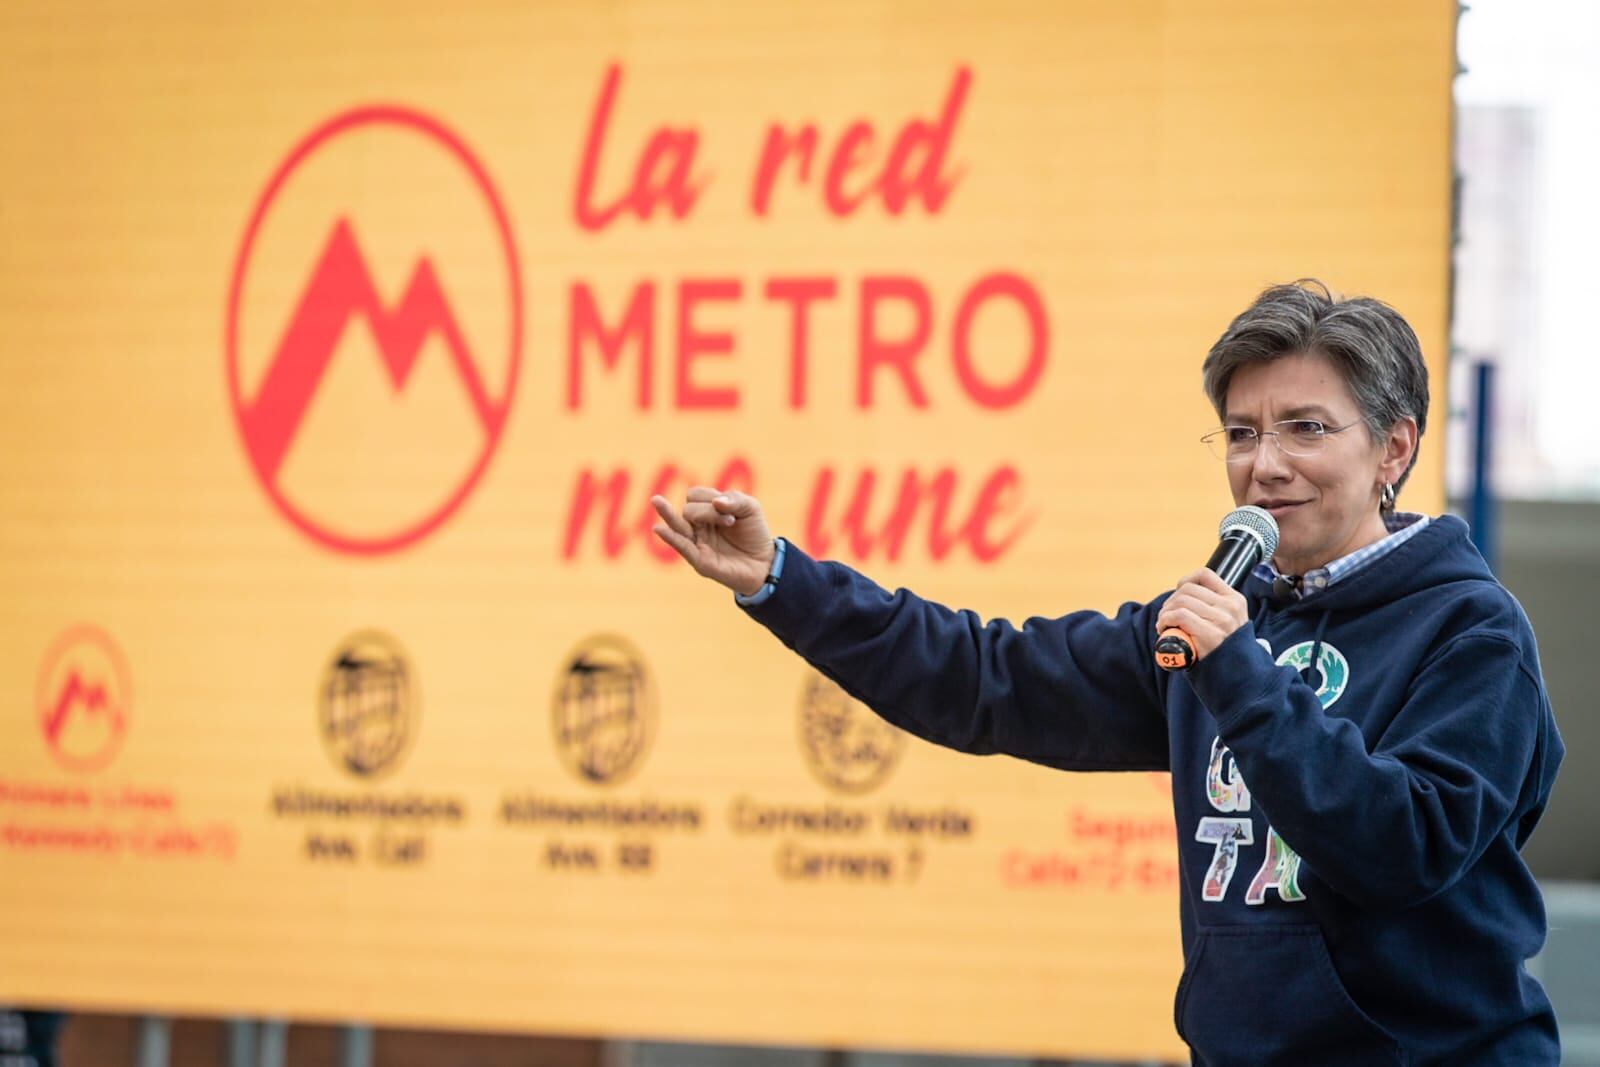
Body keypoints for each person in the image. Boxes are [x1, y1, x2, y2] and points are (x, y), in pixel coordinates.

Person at [650, 280, 1564, 1066]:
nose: (1265, 464)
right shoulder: (1212, 626)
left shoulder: (1471, 633)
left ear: (1394, 450)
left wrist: (1239, 675)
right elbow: (982, 678)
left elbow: (1401, 846)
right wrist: (782, 581)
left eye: (1306, 428)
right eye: (1241, 433)